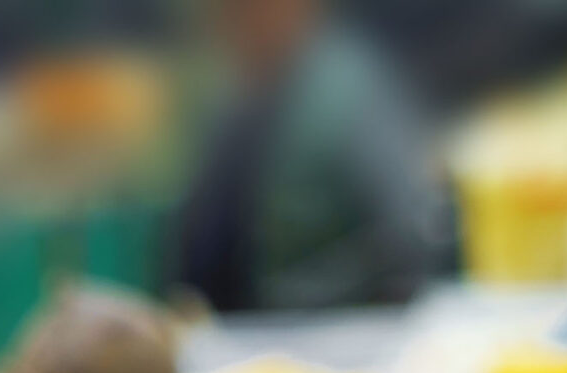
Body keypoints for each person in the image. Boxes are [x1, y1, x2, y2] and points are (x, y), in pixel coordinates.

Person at [172, 0, 448, 313]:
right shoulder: (242, 102)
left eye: (249, 9)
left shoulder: (351, 92)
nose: (236, 27)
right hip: (247, 335)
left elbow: (408, 231)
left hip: (334, 330)